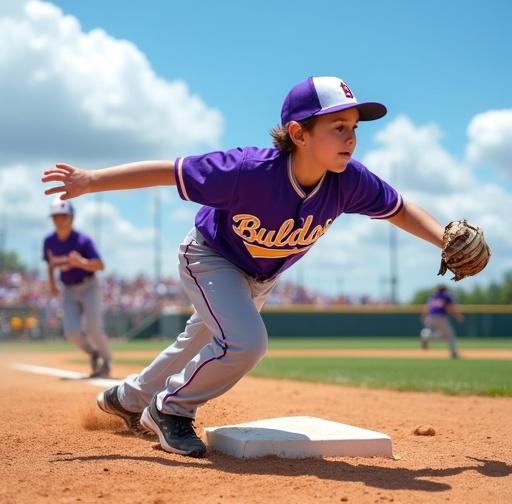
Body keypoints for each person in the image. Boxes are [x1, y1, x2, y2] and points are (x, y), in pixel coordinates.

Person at [42, 75, 463, 458]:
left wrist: (443, 237)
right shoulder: (248, 170)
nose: (351, 138)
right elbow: (169, 171)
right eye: (338, 127)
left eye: (354, 128)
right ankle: (170, 409)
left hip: (259, 277)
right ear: (298, 133)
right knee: (246, 342)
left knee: (197, 341)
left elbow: (399, 208)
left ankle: (128, 398)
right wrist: (92, 181)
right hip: (209, 257)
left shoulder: (348, 180)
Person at [43, 199, 111, 377]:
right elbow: (49, 264)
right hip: (68, 289)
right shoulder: (49, 241)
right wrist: (51, 282)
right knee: (71, 332)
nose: (59, 220)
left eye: (63, 216)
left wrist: (82, 262)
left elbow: (100, 266)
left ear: (71, 218)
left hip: (89, 285)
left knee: (94, 329)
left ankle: (106, 362)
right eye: (56, 217)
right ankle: (93, 352)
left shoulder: (83, 240)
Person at [420, 285, 464, 359]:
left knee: (442, 335)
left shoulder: (432, 297)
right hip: (440, 317)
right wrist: (458, 316)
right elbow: (450, 309)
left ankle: (425, 336)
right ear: (445, 290)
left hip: (430, 317)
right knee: (450, 335)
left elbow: (427, 308)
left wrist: (423, 316)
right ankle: (454, 353)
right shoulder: (446, 296)